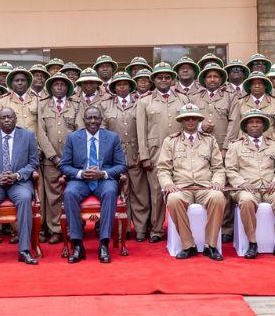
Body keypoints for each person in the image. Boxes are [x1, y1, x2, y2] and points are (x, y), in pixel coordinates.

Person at [156, 104, 227, 261]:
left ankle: (211, 246)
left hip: (205, 187)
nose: (190, 121)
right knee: (173, 200)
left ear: (198, 120)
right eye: (186, 118)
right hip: (181, 187)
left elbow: (218, 167)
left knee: (218, 197)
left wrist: (217, 182)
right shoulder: (171, 141)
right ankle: (188, 246)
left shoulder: (210, 140)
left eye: (193, 118)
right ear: (181, 121)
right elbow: (163, 169)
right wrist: (167, 183)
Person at [61, 106, 127, 263]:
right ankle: (77, 244)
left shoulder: (112, 138)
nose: (92, 121)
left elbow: (121, 165)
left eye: (96, 118)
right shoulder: (73, 138)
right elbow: (64, 165)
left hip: (103, 180)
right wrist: (80, 173)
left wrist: (103, 173)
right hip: (81, 181)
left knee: (110, 192)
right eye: (89, 118)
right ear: (83, 121)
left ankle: (104, 243)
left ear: (101, 120)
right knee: (69, 193)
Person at [0, 108, 41, 266]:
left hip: (18, 182)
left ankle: (24, 250)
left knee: (25, 198)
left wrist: (17, 175)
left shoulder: (27, 136)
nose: (6, 120)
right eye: (3, 118)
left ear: (16, 119)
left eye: (9, 117)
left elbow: (34, 162)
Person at [224, 110, 275, 259]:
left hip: (270, 187)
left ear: (264, 126)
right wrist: (241, 183)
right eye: (251, 122)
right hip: (247, 188)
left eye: (258, 122)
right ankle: (252, 242)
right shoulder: (235, 146)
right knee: (246, 200)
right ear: (245, 127)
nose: (254, 125)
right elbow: (230, 169)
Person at [135, 63, 190, 242]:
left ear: (172, 79)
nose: (164, 80)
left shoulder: (183, 99)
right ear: (154, 80)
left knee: (181, 189)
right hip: (155, 152)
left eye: (167, 77)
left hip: (180, 151)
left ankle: (184, 228)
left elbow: (189, 125)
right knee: (157, 193)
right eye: (159, 77)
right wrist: (144, 156)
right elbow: (140, 131)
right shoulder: (144, 101)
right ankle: (157, 230)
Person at [103, 73, 150, 242]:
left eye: (125, 84)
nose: (122, 87)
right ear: (113, 87)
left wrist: (142, 152)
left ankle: (140, 228)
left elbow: (144, 129)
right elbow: (103, 134)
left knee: (140, 194)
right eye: (118, 84)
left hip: (136, 154)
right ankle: (123, 229)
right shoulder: (105, 105)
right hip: (115, 158)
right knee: (120, 194)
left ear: (131, 86)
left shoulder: (141, 102)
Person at [36, 74, 82, 243]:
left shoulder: (76, 105)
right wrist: (53, 157)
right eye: (56, 84)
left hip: (73, 161)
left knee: (72, 194)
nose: (60, 87)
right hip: (51, 161)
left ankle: (72, 228)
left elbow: (80, 132)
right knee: (53, 196)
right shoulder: (42, 105)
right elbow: (41, 133)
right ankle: (56, 229)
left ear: (68, 88)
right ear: (51, 87)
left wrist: (69, 158)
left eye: (63, 84)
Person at [227, 70, 275, 148]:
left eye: (260, 84)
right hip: (245, 145)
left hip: (270, 145)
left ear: (265, 86)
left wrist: (271, 140)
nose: (257, 86)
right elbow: (235, 126)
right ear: (249, 86)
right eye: (254, 84)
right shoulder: (240, 102)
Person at [190, 62, 235, 151]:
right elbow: (187, 120)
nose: (212, 79)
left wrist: (226, 148)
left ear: (221, 79)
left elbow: (233, 124)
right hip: (199, 147)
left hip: (221, 146)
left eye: (216, 76)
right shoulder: (194, 98)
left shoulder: (230, 97)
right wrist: (200, 126)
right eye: (209, 77)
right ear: (204, 79)